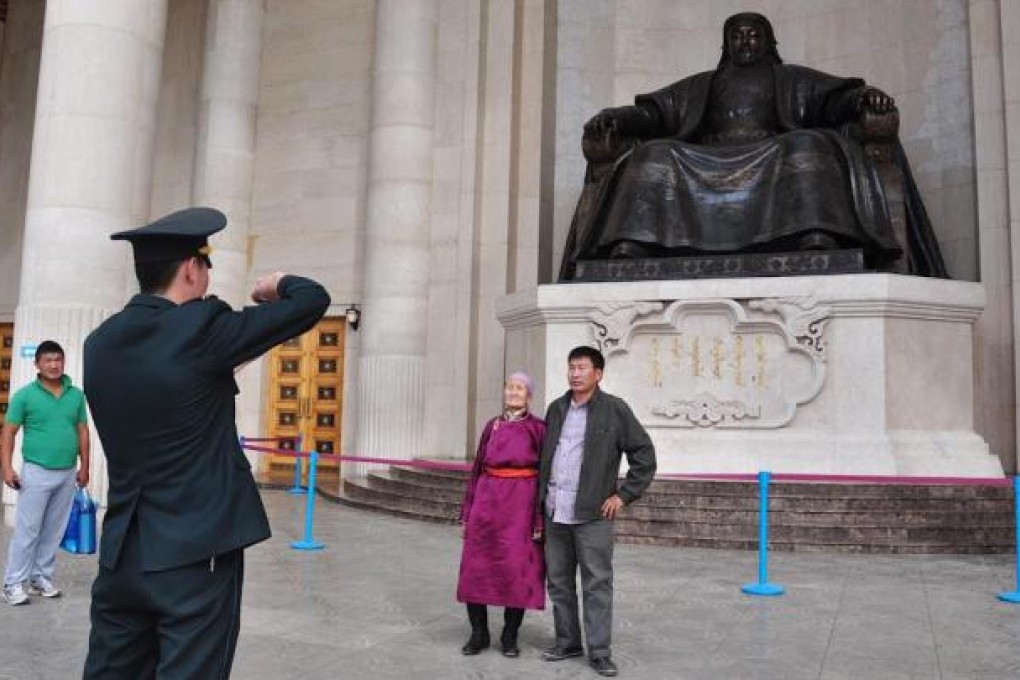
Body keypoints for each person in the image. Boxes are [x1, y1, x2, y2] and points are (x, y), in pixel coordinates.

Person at [82, 207, 330, 678]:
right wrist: (276, 284)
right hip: (195, 555)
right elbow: (312, 299)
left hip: (122, 553)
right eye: (206, 265)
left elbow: (166, 392)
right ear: (192, 269)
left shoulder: (100, 343)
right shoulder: (201, 330)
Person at [559, 12, 947, 280]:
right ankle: (634, 243)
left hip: (771, 151)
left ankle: (815, 234)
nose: (745, 41)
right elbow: (653, 114)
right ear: (726, 44)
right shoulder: (702, 85)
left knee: (807, 144)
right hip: (706, 156)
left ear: (767, 41)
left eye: (753, 34)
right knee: (652, 154)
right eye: (737, 35)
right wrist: (617, 117)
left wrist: (866, 98)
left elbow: (835, 101)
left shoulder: (791, 78)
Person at [539, 346, 656, 677]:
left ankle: (600, 651)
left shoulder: (615, 410)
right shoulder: (557, 409)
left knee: (597, 584)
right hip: (555, 512)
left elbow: (644, 455)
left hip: (592, 516)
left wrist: (624, 495)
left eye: (582, 367)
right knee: (559, 583)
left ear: (598, 374)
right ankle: (568, 641)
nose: (575, 373)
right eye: (571, 367)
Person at [456, 372, 547, 658]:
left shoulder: (538, 428)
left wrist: (539, 518)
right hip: (487, 503)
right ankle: (478, 633)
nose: (514, 392)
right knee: (475, 570)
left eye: (520, 388)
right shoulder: (491, 426)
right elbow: (477, 470)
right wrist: (467, 514)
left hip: (521, 506)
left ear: (528, 395)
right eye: (510, 387)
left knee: (517, 572)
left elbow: (545, 476)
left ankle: (510, 635)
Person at [1, 341, 89, 606]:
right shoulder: (25, 395)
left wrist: (85, 466)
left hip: (67, 472)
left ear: (63, 362)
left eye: (58, 360)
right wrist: (7, 467)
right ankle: (12, 583)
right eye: (48, 360)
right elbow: (8, 433)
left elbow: (82, 431)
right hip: (37, 470)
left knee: (53, 529)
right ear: (37, 364)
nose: (54, 365)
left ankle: (40, 578)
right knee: (28, 530)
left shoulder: (76, 395)